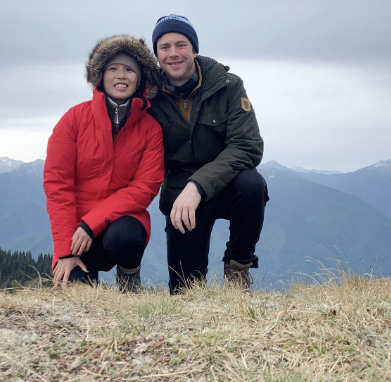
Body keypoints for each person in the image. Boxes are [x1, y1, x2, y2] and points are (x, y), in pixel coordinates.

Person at [146, 15, 269, 293]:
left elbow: (247, 146)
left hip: (226, 184)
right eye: (165, 47)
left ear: (195, 50)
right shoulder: (149, 94)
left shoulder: (228, 85)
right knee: (185, 292)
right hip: (180, 196)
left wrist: (198, 185)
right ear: (156, 55)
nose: (173, 53)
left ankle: (238, 268)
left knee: (252, 185)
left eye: (181, 45)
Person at [43, 35, 164, 292]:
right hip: (76, 234)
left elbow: (145, 188)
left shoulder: (150, 128)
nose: (121, 76)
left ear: (140, 79)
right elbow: (58, 186)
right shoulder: (74, 119)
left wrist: (92, 223)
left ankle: (129, 277)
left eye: (129, 69)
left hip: (120, 224)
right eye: (113, 69)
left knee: (127, 238)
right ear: (101, 76)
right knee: (75, 298)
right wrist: (65, 251)